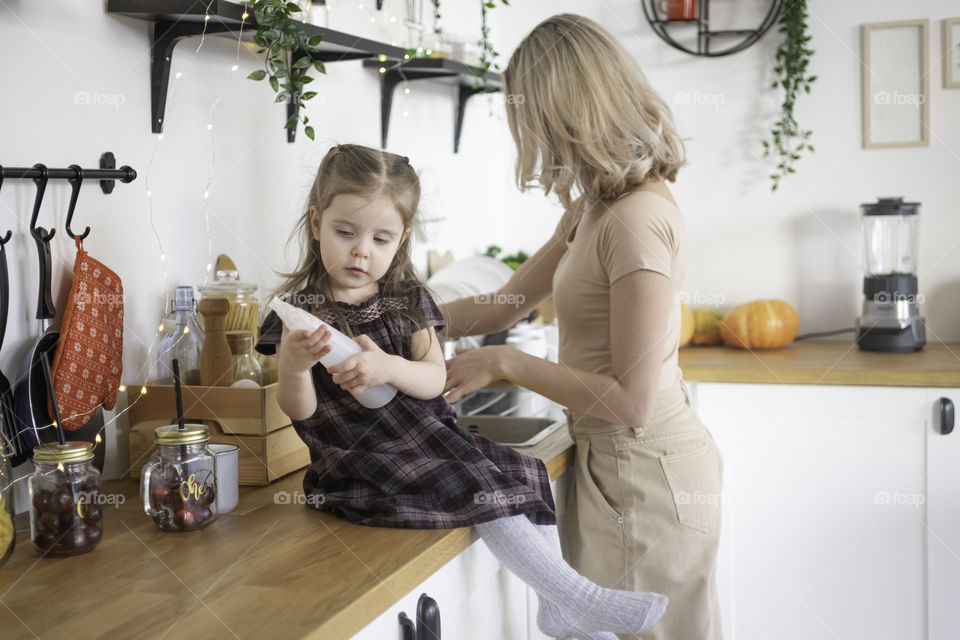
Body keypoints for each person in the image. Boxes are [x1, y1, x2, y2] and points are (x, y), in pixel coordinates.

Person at [254, 143, 667, 639]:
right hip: (360, 461)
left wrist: (388, 367)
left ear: (402, 240)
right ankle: (580, 599)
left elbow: (433, 379)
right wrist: (297, 370)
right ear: (317, 222)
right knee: (480, 486)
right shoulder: (300, 312)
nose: (362, 250)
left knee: (524, 471)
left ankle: (558, 607)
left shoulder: (407, 301)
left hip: (428, 442)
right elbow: (298, 412)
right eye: (346, 232)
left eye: (381, 239)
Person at [440, 14, 724, 640]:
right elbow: (508, 300)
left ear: (567, 113)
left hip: (645, 476)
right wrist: (402, 313)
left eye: (531, 123)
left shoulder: (634, 221)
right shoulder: (596, 206)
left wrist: (504, 364)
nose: (531, 142)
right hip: (616, 464)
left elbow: (633, 401)